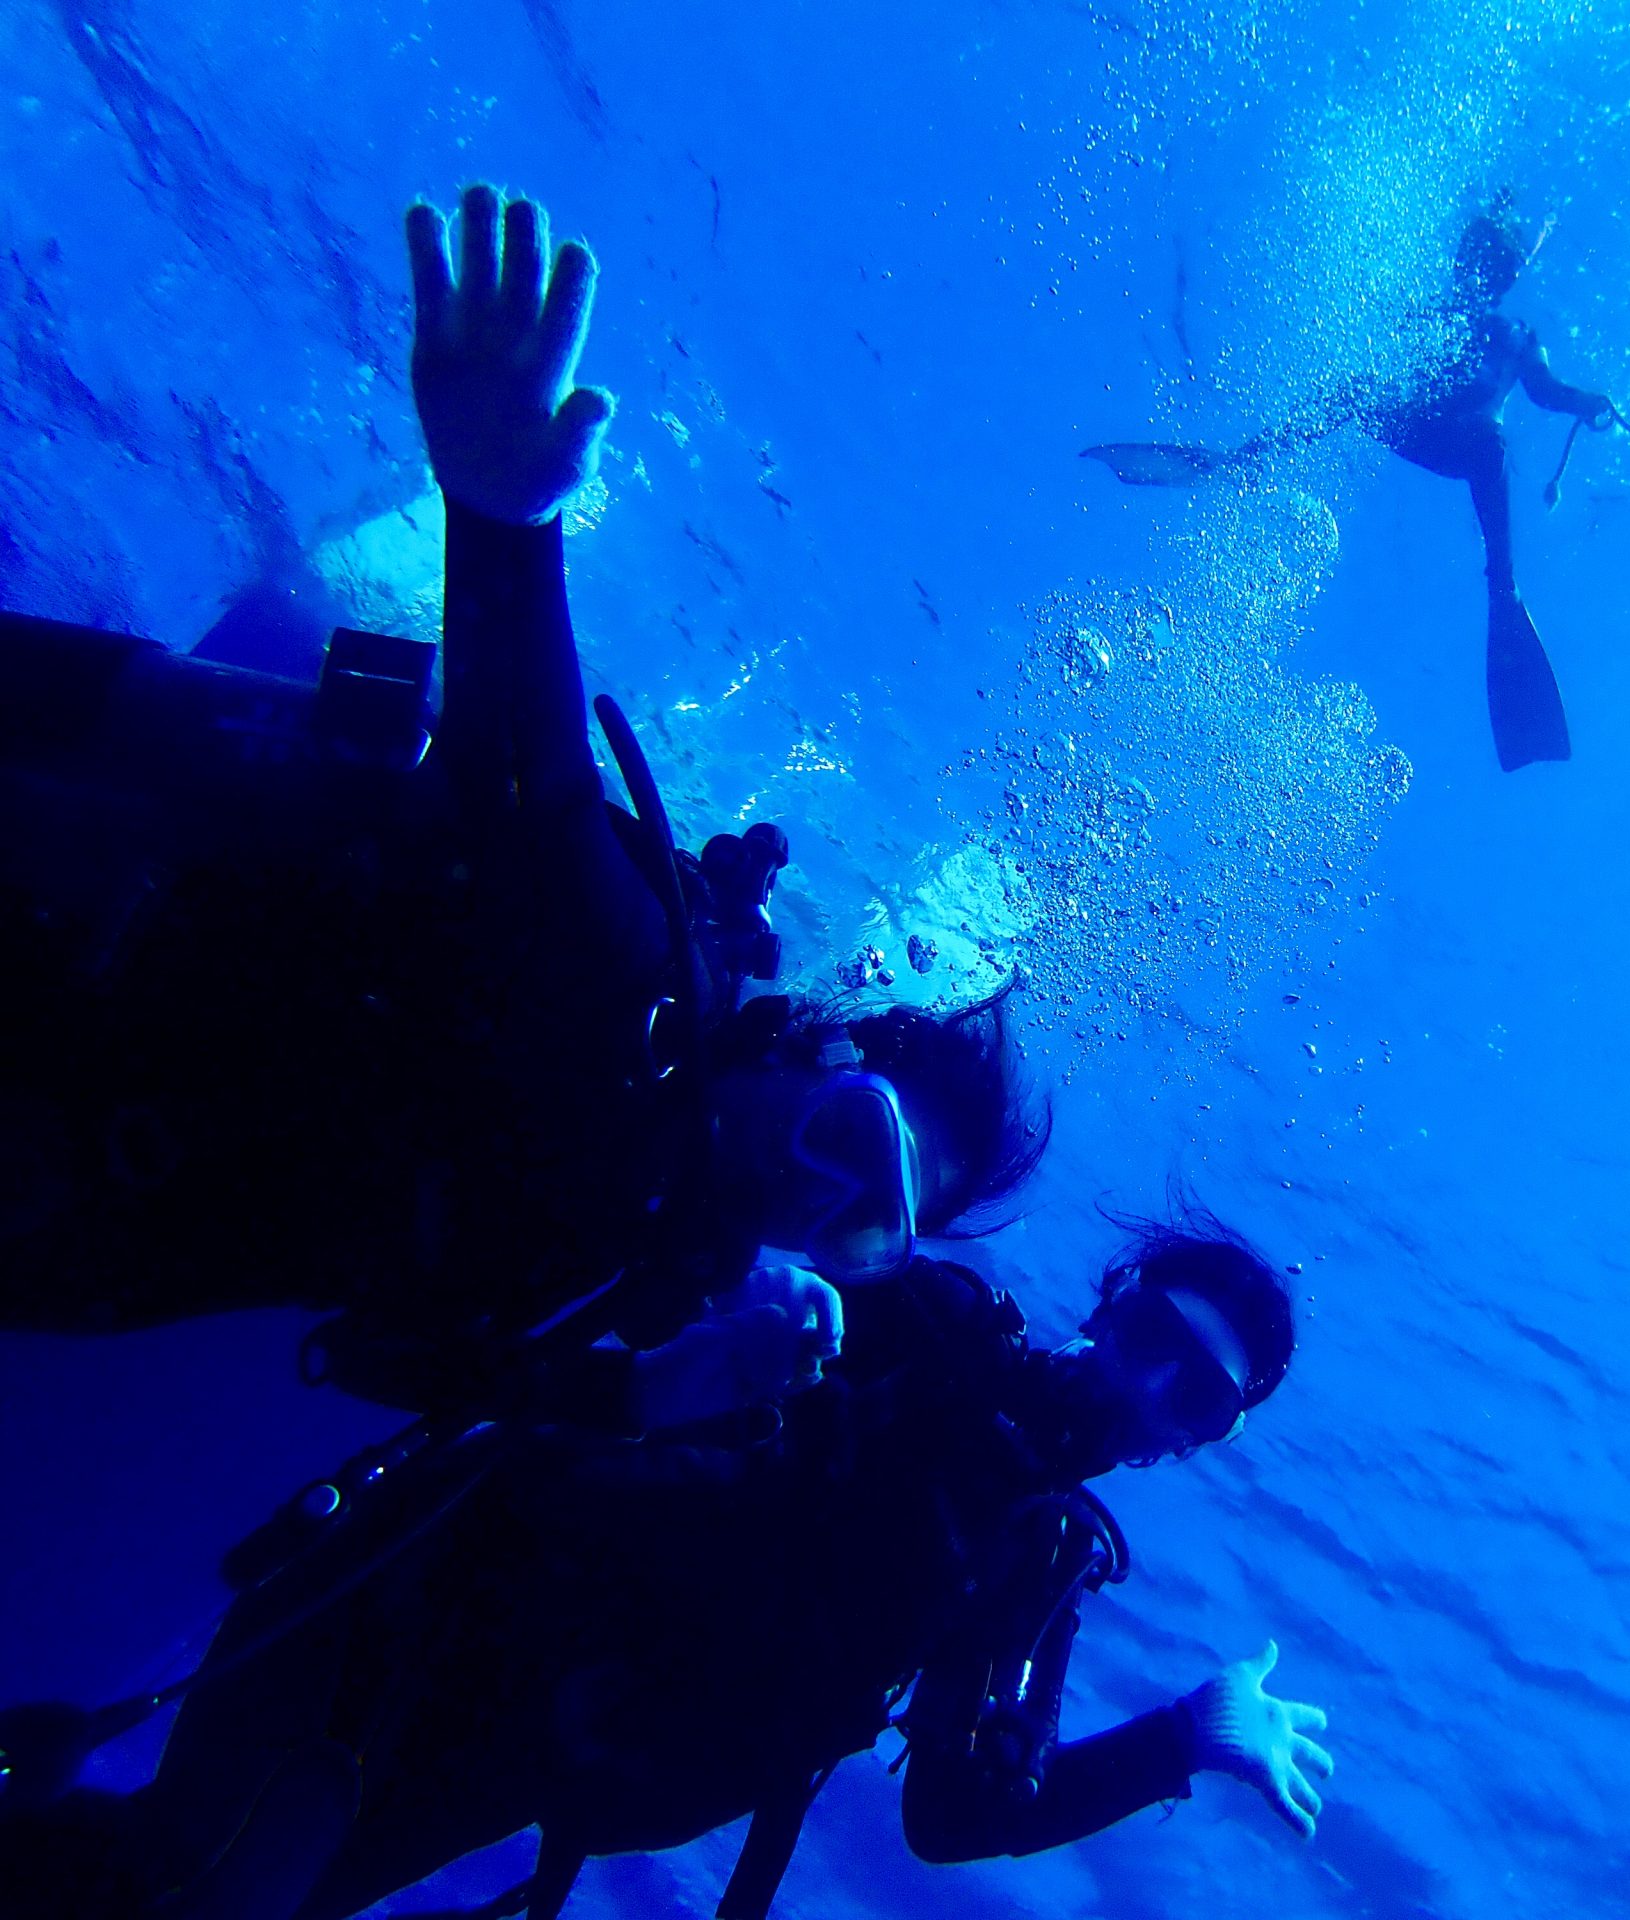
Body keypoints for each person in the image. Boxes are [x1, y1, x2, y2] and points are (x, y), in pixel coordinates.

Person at [0, 186, 1047, 1433]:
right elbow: (532, 792)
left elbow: (402, 1358)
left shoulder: (627, 1264)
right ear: (815, 1050)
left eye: (866, 1228)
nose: (815, 1197)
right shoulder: (646, 993)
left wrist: (639, 1393)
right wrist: (503, 521)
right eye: (850, 1144)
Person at [0, 1218, 1334, 1920]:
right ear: (1107, 1304)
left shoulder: (1031, 1567)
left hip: (531, 1766)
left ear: (1194, 1442)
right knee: (188, 1894)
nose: (1146, 1387)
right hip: (424, 1614)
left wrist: (1183, 1740)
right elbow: (688, 1306)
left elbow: (956, 1818)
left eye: (1194, 1397)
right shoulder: (924, 1326)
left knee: (174, 1892)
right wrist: (746, 1304)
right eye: (1150, 1336)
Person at [1084, 197, 1612, 772]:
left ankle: (1502, 585)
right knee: (1357, 390)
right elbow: (1387, 370)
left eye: (1493, 265)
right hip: (1425, 431)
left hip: (1472, 446)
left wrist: (1584, 401)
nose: (1479, 273)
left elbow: (1544, 391)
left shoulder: (1518, 335)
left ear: (1504, 277)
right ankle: (1245, 461)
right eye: (1475, 259)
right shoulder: (1430, 317)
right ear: (1464, 262)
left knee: (1490, 443)